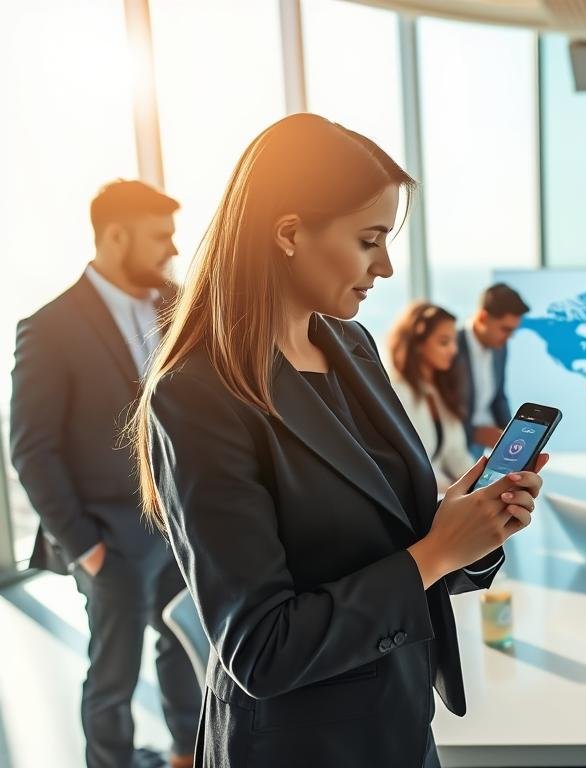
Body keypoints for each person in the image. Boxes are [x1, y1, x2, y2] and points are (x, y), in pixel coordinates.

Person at [129, 114, 544, 767]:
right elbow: (260, 650)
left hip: (398, 724)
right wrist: (436, 553)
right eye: (369, 239)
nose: (386, 265)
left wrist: (472, 531)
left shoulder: (350, 346)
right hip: (301, 746)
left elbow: (389, 542)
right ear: (289, 232)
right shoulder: (199, 394)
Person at [9, 180, 200, 768]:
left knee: (187, 651)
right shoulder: (48, 327)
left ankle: (187, 755)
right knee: (113, 674)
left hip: (181, 528)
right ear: (114, 236)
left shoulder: (176, 304)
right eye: (158, 236)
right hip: (107, 540)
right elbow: (31, 450)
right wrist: (86, 548)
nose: (171, 249)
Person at [387, 301, 476, 492]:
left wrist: (483, 486)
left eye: (454, 341)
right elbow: (414, 465)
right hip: (414, 499)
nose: (453, 350)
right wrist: (456, 491)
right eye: (444, 342)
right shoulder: (397, 393)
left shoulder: (438, 392)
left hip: (438, 494)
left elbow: (457, 456)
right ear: (418, 344)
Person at [456, 282, 528, 451]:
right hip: (456, 444)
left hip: (483, 443)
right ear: (482, 317)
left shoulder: (500, 348)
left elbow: (499, 397)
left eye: (513, 331)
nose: (509, 337)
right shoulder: (451, 347)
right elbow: (441, 410)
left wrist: (511, 436)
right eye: (505, 329)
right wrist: (474, 433)